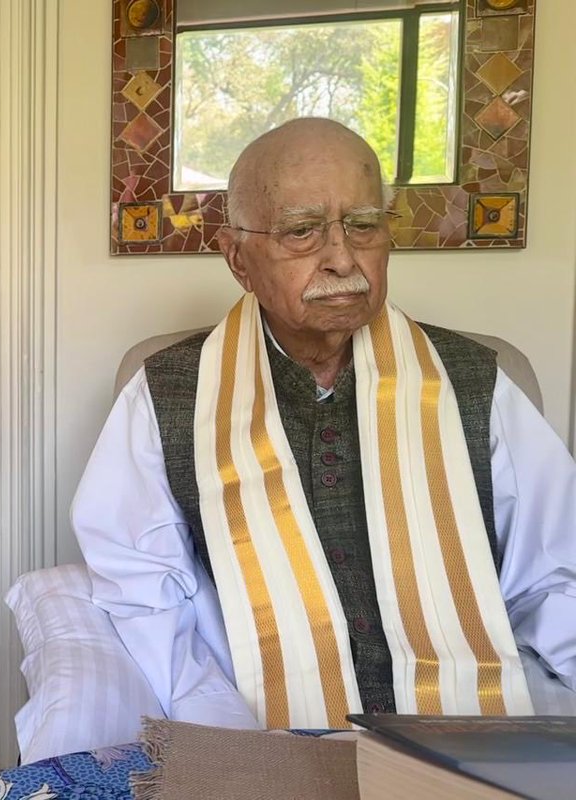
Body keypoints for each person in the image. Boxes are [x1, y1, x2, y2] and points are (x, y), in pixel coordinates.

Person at [73, 118, 576, 732]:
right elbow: (143, 596)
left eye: (363, 224)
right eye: (301, 231)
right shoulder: (167, 393)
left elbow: (556, 579)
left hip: (470, 725)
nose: (341, 258)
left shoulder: (473, 381)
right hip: (256, 723)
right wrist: (232, 738)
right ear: (237, 258)